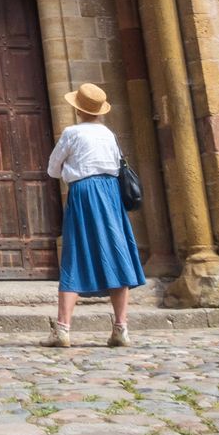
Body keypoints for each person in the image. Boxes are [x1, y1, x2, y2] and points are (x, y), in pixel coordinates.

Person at [42, 82, 145, 348]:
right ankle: (121, 328)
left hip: (84, 193)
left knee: (75, 253)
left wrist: (69, 172)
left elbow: (53, 169)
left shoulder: (71, 133)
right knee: (117, 253)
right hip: (110, 194)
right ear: (100, 110)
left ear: (77, 109)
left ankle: (63, 329)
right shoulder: (108, 134)